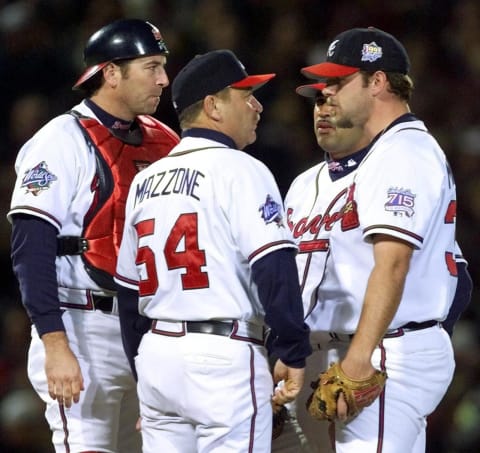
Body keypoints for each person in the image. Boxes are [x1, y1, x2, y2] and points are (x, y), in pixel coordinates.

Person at [114, 48, 312, 452]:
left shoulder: (144, 181)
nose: (257, 105)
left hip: (157, 355)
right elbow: (274, 267)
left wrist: (145, 374)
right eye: (245, 95)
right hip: (223, 356)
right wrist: (291, 349)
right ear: (212, 106)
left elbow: (129, 295)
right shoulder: (242, 169)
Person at [281, 27, 460, 453]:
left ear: (377, 82)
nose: (325, 98)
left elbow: (393, 263)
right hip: (326, 352)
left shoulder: (405, 151)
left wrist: (360, 359)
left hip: (382, 350)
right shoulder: (313, 180)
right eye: (320, 92)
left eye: (337, 84)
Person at [7, 18, 180, 453]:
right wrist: (54, 342)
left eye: (163, 65)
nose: (163, 79)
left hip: (151, 329)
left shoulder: (166, 141)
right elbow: (31, 249)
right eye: (151, 66)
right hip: (83, 323)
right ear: (111, 72)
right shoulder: (61, 139)